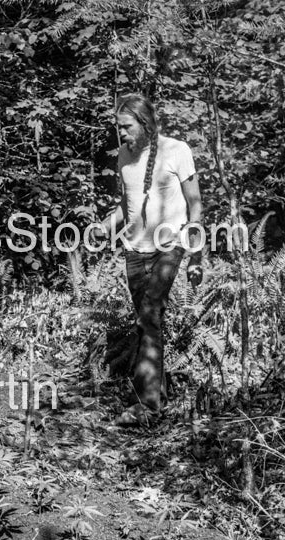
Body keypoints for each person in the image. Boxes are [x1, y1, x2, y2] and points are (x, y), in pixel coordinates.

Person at [102, 93, 203, 426]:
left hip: (169, 245)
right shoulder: (124, 159)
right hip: (135, 251)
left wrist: (196, 253)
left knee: (149, 314)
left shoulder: (177, 151)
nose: (123, 134)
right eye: (119, 128)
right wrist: (104, 227)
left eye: (127, 127)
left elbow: (195, 204)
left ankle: (147, 406)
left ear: (144, 122)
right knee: (149, 321)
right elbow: (125, 206)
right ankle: (156, 399)